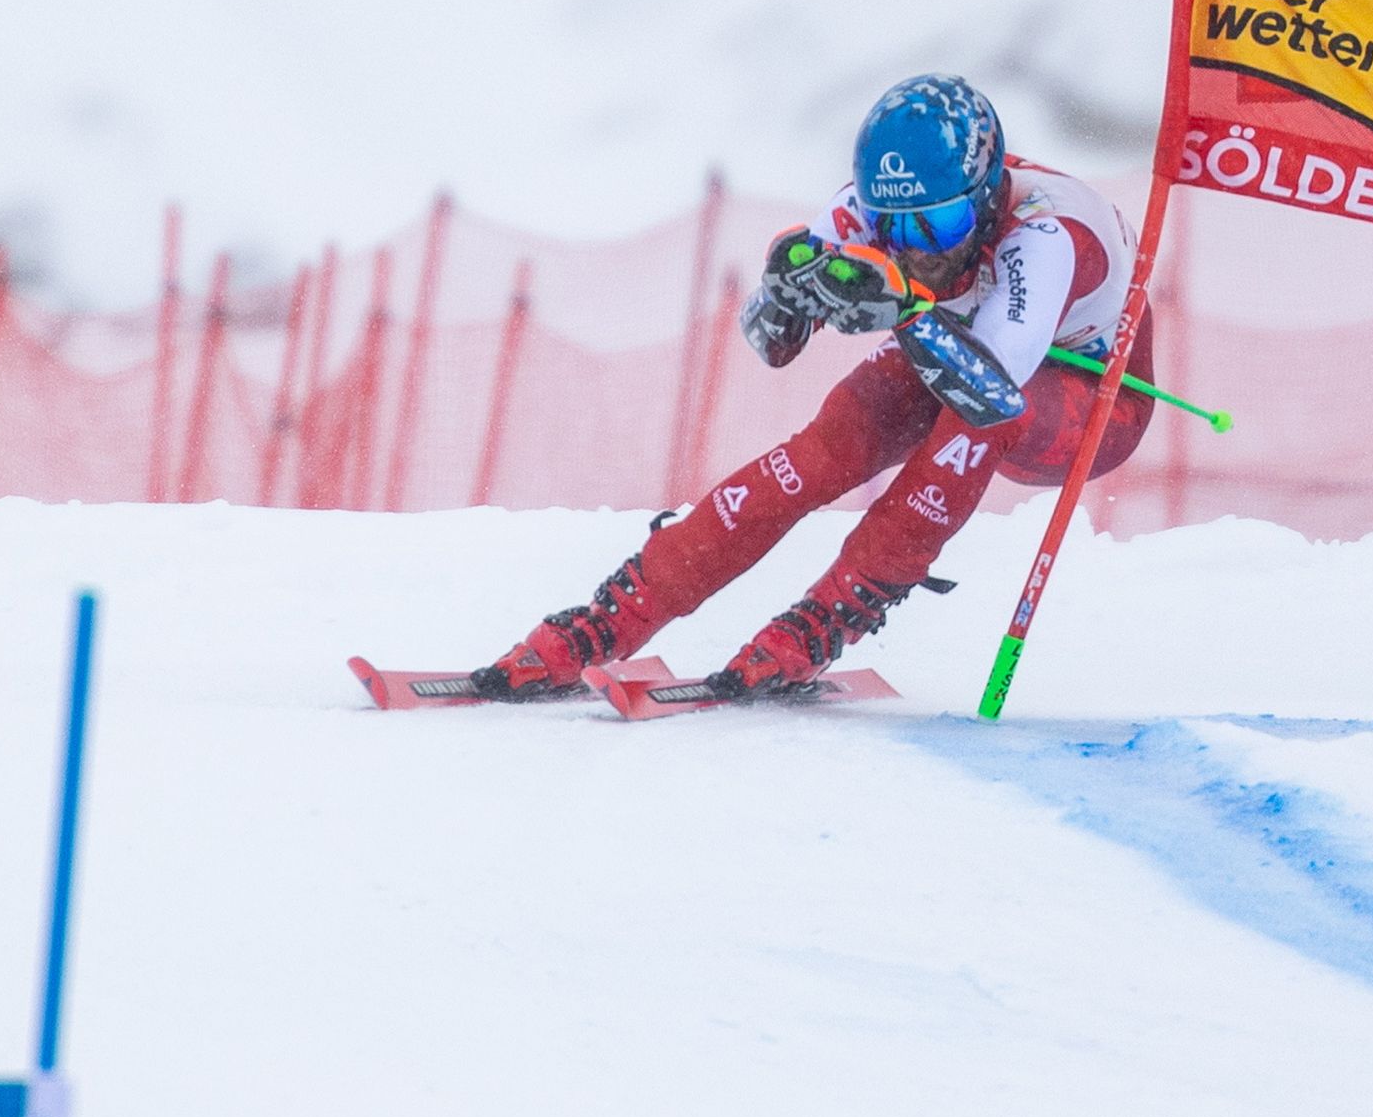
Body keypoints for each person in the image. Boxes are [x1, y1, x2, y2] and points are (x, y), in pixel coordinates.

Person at [474, 72, 1154, 700]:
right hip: (964, 352)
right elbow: (769, 343)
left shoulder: (1045, 235)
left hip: (1088, 400)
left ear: (982, 196)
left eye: (938, 223)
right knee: (831, 443)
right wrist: (787, 292)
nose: (916, 246)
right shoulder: (866, 214)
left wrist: (907, 309)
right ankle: (613, 617)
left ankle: (830, 615)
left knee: (978, 421)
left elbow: (994, 392)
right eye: (894, 226)